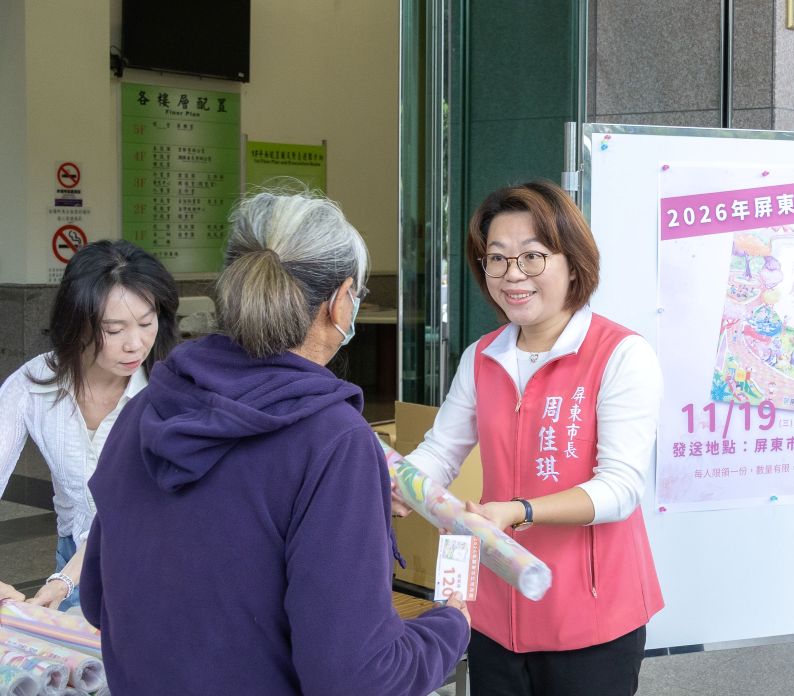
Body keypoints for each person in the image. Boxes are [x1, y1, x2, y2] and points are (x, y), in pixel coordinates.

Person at [79, 188, 470, 696]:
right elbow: (357, 678)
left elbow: (97, 600)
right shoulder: (333, 441)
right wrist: (448, 627)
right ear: (340, 301)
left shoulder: (143, 410)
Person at [399, 180, 664, 696]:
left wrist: (519, 511)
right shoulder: (482, 356)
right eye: (496, 259)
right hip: (496, 609)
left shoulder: (621, 354)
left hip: (590, 613)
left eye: (533, 256)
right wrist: (397, 485)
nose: (512, 274)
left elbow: (620, 488)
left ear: (574, 263)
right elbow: (441, 450)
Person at [0, 240, 178, 610]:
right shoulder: (33, 385)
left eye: (147, 323)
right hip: (72, 561)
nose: (135, 344)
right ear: (76, 322)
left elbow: (144, 508)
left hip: (157, 561)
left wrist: (67, 578)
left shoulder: (172, 391)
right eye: (114, 330)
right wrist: (66, 578)